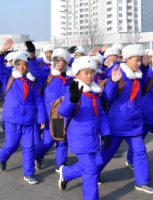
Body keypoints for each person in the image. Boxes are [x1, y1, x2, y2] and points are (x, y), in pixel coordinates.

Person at [95, 44, 153, 194]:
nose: (139, 62)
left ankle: (142, 182)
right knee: (106, 154)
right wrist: (114, 82)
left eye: (140, 59)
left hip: (134, 124)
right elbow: (107, 97)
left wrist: (144, 66)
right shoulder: (118, 73)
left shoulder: (137, 75)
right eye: (137, 60)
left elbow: (143, 83)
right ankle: (79, 173)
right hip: (117, 124)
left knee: (140, 151)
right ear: (128, 59)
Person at [58, 56, 110, 200]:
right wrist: (73, 100)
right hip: (78, 136)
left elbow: (101, 115)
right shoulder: (74, 91)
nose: (89, 76)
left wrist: (106, 133)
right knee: (91, 169)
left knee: (89, 166)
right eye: (85, 73)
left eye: (91, 72)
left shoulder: (94, 93)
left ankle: (66, 173)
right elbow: (63, 111)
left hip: (93, 136)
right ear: (77, 74)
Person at [0, 39, 46, 184]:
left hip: (29, 119)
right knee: (11, 145)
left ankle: (29, 173)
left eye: (25, 65)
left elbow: (39, 102)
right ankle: (2, 156)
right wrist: (2, 52)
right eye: (19, 64)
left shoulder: (32, 83)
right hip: (12, 118)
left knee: (29, 147)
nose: (22, 67)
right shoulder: (8, 77)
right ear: (15, 65)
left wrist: (41, 118)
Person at [28, 43, 74, 172]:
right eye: (55, 60)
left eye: (60, 60)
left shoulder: (72, 79)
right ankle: (38, 156)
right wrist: (31, 55)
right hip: (49, 115)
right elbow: (35, 70)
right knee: (48, 141)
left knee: (61, 141)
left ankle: (60, 166)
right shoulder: (48, 75)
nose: (56, 62)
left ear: (66, 62)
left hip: (63, 115)